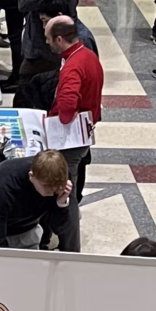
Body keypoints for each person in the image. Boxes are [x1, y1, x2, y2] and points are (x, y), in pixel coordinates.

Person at [46, 15, 103, 223]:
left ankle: (67, 230)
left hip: (70, 139)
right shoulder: (88, 55)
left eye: (48, 38)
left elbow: (68, 104)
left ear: (59, 39)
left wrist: (63, 117)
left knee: (64, 187)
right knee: (71, 182)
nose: (47, 42)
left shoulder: (72, 66)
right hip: (84, 132)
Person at [0, 150, 78, 250]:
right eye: (47, 189)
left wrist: (61, 204)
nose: (51, 194)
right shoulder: (3, 185)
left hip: (28, 230)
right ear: (32, 176)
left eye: (55, 191)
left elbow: (63, 227)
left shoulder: (58, 180)